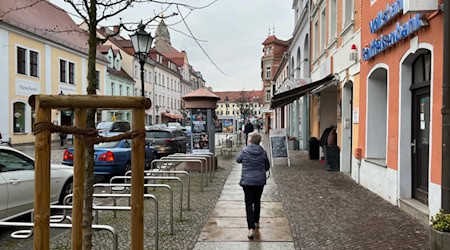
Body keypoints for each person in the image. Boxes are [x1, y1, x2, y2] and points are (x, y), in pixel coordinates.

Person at [236, 133, 270, 239]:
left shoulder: (245, 150)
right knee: (257, 201)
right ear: (259, 141)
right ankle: (256, 221)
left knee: (249, 203)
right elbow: (267, 166)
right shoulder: (263, 152)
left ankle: (250, 228)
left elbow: (238, 160)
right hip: (259, 181)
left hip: (247, 181)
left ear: (250, 140)